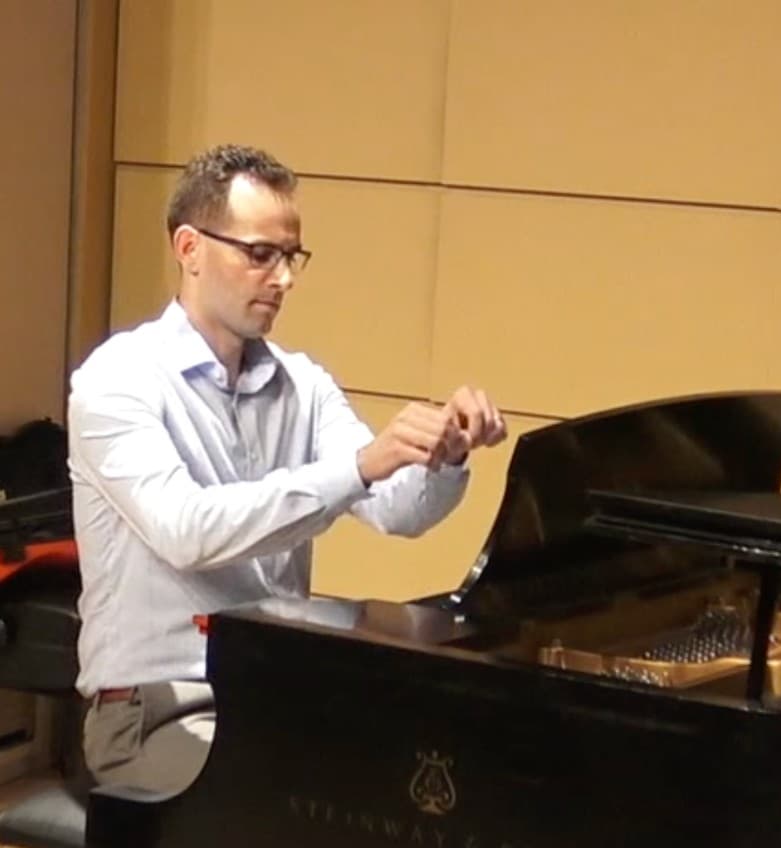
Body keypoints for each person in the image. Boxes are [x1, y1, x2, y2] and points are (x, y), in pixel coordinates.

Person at [68, 144, 506, 796]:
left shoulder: (302, 385)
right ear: (189, 249)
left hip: (278, 690)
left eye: (290, 257)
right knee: (305, 810)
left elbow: (396, 511)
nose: (283, 279)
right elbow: (188, 533)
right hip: (153, 707)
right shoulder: (117, 380)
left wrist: (445, 454)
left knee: (428, 781)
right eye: (259, 255)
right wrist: (360, 466)